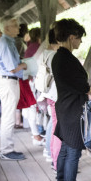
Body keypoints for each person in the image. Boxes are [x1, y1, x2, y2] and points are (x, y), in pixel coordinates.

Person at [52, 18, 91, 181]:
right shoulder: (66, 58)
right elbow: (80, 84)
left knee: (65, 147)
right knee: (73, 151)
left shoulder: (59, 56)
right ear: (71, 37)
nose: (80, 42)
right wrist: (86, 88)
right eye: (78, 38)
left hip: (64, 106)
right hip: (72, 109)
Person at [0, 17, 27, 161]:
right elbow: (12, 68)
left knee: (8, 116)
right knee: (8, 117)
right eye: (15, 25)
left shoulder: (8, 41)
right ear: (6, 28)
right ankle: (6, 150)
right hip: (7, 81)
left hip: (7, 81)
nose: (18, 28)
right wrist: (26, 65)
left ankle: (7, 148)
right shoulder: (6, 43)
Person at [37, 28, 61, 168]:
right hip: (55, 94)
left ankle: (50, 152)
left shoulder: (45, 53)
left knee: (52, 124)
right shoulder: (54, 55)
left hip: (48, 93)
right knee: (55, 127)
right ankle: (55, 158)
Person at [17, 27, 43, 146]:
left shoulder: (29, 47)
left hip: (27, 79)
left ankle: (35, 132)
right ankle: (36, 134)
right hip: (33, 80)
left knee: (31, 106)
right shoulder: (37, 48)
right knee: (33, 106)